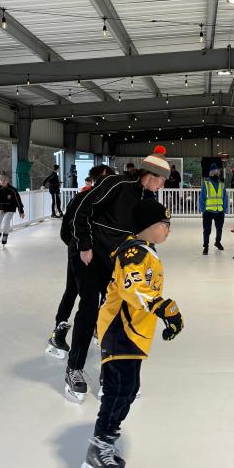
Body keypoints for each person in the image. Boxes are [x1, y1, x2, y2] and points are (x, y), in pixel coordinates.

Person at [79, 199, 182, 468]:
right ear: (148, 227)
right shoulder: (133, 252)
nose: (169, 230)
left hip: (134, 332)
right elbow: (133, 287)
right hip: (118, 329)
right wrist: (163, 307)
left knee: (129, 388)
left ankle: (106, 440)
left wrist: (165, 315)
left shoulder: (147, 251)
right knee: (119, 387)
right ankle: (98, 448)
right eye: (165, 224)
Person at [66, 146, 170, 402]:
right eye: (162, 180)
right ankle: (74, 368)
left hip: (118, 263)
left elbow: (146, 235)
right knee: (89, 309)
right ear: (152, 175)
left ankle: (110, 372)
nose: (163, 185)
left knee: (115, 314)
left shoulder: (150, 200)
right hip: (89, 256)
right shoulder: (116, 184)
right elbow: (83, 210)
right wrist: (85, 245)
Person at [47, 165, 115, 360]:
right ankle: (59, 328)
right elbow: (65, 232)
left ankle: (97, 326)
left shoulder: (112, 202)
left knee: (107, 292)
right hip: (81, 256)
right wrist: (79, 249)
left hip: (104, 258)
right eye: (104, 180)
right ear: (94, 181)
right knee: (74, 291)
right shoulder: (81, 199)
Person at [199, 163, 229, 255]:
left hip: (219, 211)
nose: (217, 173)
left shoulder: (221, 184)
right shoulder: (206, 184)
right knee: (207, 230)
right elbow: (202, 197)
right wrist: (203, 209)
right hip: (208, 211)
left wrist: (225, 209)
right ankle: (206, 246)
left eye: (218, 171)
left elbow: (225, 197)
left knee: (219, 228)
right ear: (211, 172)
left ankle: (217, 242)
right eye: (216, 171)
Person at [0, 173, 24, 247]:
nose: (3, 181)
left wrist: (21, 211)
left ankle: (5, 235)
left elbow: (18, 201)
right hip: (1, 209)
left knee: (6, 221)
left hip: (10, 209)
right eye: (1, 180)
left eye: (4, 180)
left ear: (8, 180)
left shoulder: (13, 190)